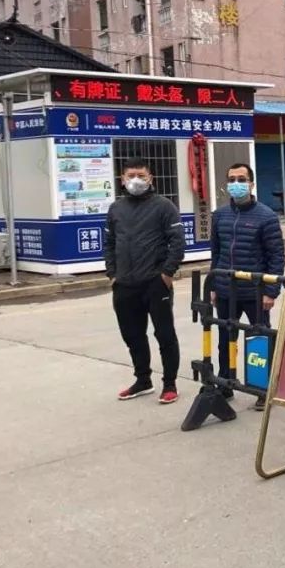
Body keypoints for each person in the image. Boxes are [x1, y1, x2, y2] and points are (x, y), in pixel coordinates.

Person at [104, 157, 186, 405]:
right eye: (131, 176)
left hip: (155, 282)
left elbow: (177, 242)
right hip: (124, 284)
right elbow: (109, 243)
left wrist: (166, 274)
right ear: (122, 179)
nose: (136, 180)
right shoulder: (116, 209)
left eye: (141, 175)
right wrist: (112, 274)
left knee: (164, 334)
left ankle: (170, 384)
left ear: (151, 178)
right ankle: (143, 380)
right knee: (132, 335)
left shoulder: (164, 206)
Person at [210, 163, 285, 410]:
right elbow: (216, 253)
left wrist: (270, 291)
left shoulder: (266, 216)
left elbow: (276, 256)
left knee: (259, 340)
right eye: (232, 179)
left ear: (251, 184)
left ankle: (262, 389)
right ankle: (225, 383)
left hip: (255, 292)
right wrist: (213, 285)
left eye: (241, 179)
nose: (236, 184)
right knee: (225, 339)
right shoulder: (220, 215)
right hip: (226, 291)